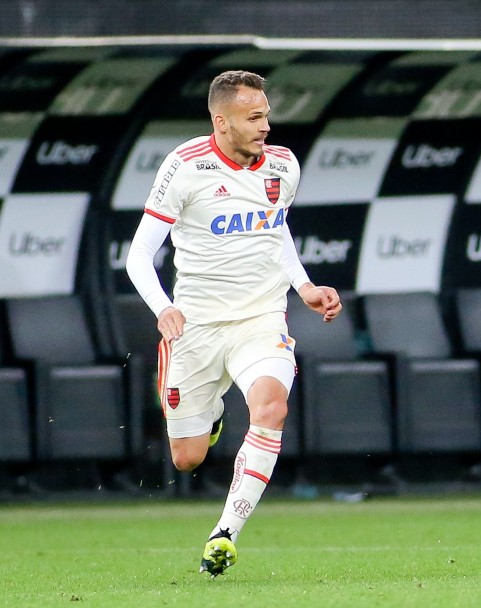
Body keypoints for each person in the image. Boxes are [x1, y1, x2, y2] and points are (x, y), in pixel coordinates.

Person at [125, 70, 342, 577]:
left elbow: (276, 228)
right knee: (187, 459)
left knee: (272, 406)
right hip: (196, 327)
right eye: (254, 117)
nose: (266, 125)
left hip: (260, 318)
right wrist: (165, 308)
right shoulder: (185, 166)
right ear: (220, 121)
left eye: (266, 113)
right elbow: (139, 255)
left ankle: (225, 534)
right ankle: (211, 417)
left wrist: (304, 287)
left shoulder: (284, 166)